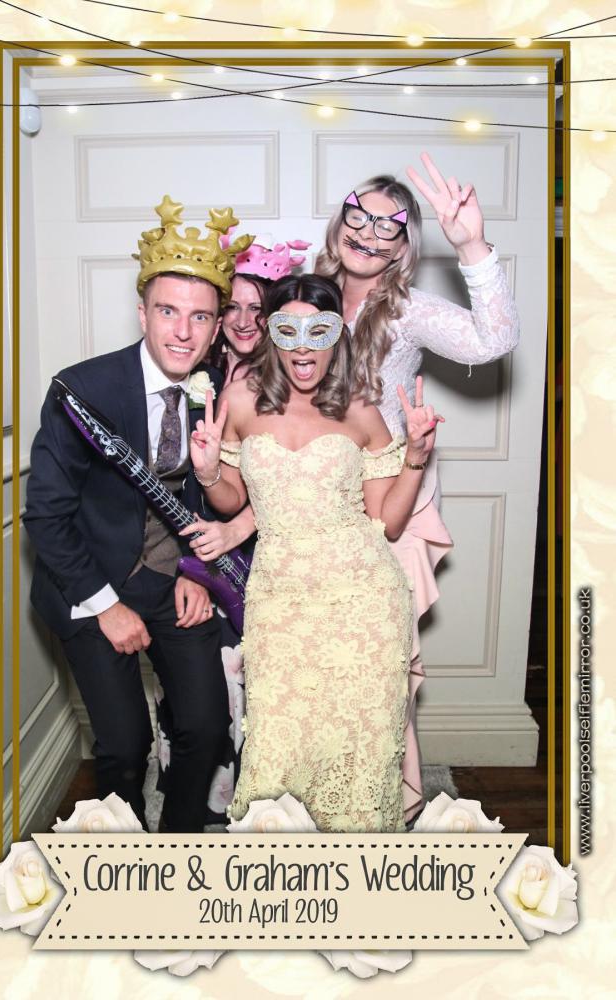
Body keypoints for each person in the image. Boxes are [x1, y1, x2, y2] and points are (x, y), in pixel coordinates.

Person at [23, 196, 253, 832]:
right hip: (90, 581)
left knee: (207, 727)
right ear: (142, 312)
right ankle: (122, 856)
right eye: (168, 311)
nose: (183, 332)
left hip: (172, 581)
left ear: (216, 326)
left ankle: (178, 849)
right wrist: (106, 607)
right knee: (125, 748)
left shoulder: (217, 392)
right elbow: (45, 516)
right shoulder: (82, 390)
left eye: (200, 316)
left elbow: (211, 495)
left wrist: (196, 573)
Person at [189, 273, 442, 833]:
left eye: (318, 331)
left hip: (362, 601)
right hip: (280, 601)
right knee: (278, 749)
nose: (303, 347)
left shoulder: (361, 410)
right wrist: (207, 473)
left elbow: (388, 521)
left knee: (359, 754)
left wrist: (416, 457)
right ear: (271, 334)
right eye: (289, 330)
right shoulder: (239, 402)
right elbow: (231, 501)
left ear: (337, 337)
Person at [315, 154, 520, 822]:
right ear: (339, 222)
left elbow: (494, 340)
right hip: (311, 511)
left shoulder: (405, 310)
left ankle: (385, 813)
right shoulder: (302, 294)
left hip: (388, 513)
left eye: (390, 225)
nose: (370, 232)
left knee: (377, 675)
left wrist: (471, 246)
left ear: (404, 246)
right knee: (315, 671)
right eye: (359, 215)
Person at [158, 235, 311, 819]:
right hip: (203, 555)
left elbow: (304, 476)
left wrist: (239, 529)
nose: (246, 321)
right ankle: (204, 805)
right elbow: (172, 483)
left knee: (275, 688)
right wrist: (189, 569)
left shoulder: (297, 375)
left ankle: (269, 806)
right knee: (208, 688)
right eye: (233, 308)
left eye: (259, 308)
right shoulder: (191, 371)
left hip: (277, 554)